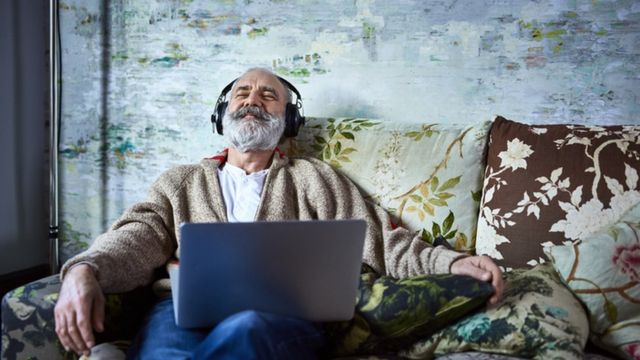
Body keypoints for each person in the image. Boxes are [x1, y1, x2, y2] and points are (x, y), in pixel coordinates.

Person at [54, 68, 504, 359]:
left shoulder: (318, 180)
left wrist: (453, 261)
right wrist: (85, 268)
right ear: (222, 114)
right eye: (241, 93)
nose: (252, 99)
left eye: (268, 96)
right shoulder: (181, 182)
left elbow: (384, 243)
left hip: (278, 318)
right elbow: (136, 234)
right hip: (179, 314)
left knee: (246, 329)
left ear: (288, 121)